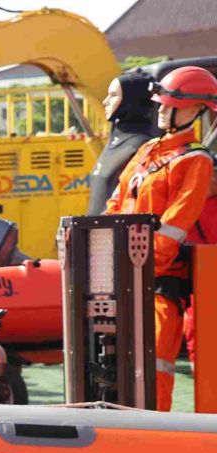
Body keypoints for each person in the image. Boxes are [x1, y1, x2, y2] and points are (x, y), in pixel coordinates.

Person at [106, 66, 217, 411]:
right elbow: (117, 201)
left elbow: (174, 226)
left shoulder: (195, 160)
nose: (161, 110)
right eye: (160, 104)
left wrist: (142, 269)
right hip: (127, 276)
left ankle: (156, 432)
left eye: (169, 104)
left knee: (154, 364)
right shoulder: (148, 150)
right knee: (118, 363)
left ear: (196, 109)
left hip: (158, 281)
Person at [87, 71, 157, 216]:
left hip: (118, 235)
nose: (105, 101)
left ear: (131, 100)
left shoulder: (142, 145)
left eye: (113, 95)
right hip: (96, 234)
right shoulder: (115, 142)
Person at [182, 167, 217, 362]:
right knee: (197, 326)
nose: (211, 180)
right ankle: (200, 365)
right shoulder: (191, 206)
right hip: (201, 276)